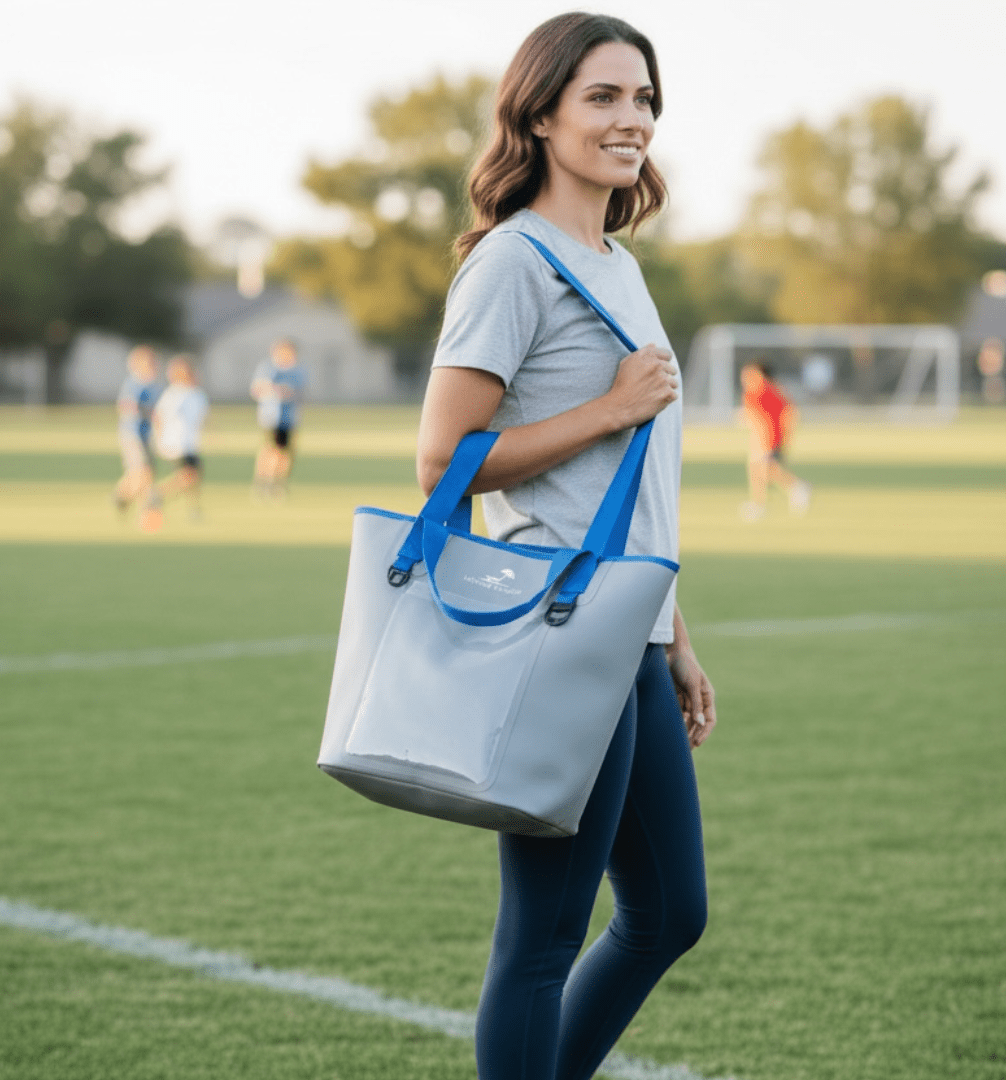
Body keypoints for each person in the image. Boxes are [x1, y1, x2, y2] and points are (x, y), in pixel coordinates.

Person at [416, 14, 716, 1079]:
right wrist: (608, 408)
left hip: (630, 632)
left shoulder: (617, 264)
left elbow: (629, 491)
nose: (632, 118)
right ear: (540, 115)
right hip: (555, 632)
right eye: (604, 96)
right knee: (543, 938)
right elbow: (443, 461)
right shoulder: (512, 262)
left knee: (669, 913)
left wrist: (676, 633)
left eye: (644, 99)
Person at [140, 355, 209, 532]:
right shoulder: (175, 394)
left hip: (190, 443)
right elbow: (159, 416)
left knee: (194, 476)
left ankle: (193, 509)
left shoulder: (196, 394)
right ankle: (157, 495)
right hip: (178, 443)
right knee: (188, 476)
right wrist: (160, 438)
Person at [738, 361, 811, 520]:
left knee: (764, 468)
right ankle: (762, 502)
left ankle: (794, 488)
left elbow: (787, 411)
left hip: (768, 437)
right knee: (762, 469)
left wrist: (785, 433)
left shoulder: (763, 390)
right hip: (763, 436)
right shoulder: (757, 391)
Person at [250, 338, 306, 496]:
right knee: (271, 450)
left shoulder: (297, 371)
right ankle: (264, 481)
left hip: (289, 418)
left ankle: (278, 482)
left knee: (285, 453)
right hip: (271, 417)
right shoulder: (268, 369)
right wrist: (275, 390)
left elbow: (300, 393)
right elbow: (256, 390)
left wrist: (289, 393)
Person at [113, 345, 160, 513]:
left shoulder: (154, 386)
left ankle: (123, 496)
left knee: (144, 472)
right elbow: (126, 406)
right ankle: (145, 505)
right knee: (141, 471)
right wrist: (147, 412)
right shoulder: (134, 384)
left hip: (146, 435)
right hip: (132, 435)